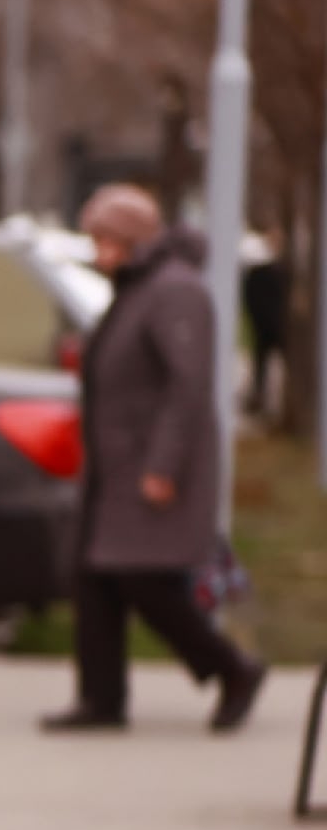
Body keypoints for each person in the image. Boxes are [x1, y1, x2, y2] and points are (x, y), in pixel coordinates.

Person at [42, 185, 266, 736]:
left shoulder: (174, 292)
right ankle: (101, 698)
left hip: (151, 468)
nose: (97, 250)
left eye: (105, 239)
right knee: (95, 578)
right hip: (116, 466)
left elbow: (187, 387)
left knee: (143, 579)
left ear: (133, 239)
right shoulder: (136, 288)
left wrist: (163, 467)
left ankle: (232, 668)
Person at [241, 234, 286, 421]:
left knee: (264, 365)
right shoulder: (267, 273)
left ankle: (262, 399)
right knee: (262, 365)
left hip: (268, 326)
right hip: (268, 326)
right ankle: (260, 399)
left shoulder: (274, 272)